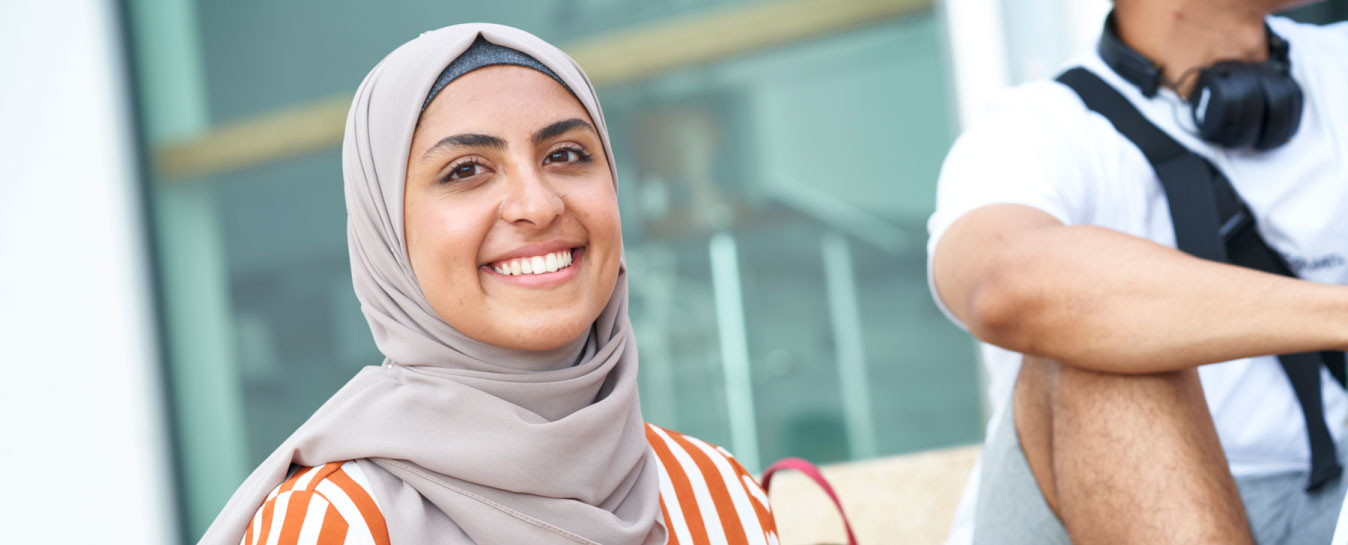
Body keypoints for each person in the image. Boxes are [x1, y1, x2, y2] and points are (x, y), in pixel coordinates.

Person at [195, 23, 779, 545]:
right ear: (387, 234)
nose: (537, 204)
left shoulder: (717, 494)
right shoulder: (341, 524)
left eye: (567, 154)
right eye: (466, 170)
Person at [928, 1, 1348, 543]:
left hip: (1331, 504)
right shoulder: (1033, 130)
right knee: (1089, 336)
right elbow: (1005, 283)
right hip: (1127, 498)